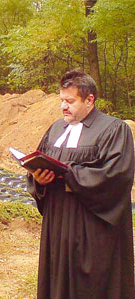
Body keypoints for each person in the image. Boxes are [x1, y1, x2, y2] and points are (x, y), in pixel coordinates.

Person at [27, 69, 135, 299]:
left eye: (70, 101)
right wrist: (39, 180)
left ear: (89, 100)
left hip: (90, 225)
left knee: (89, 285)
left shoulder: (114, 129)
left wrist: (68, 175)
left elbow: (116, 176)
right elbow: (40, 161)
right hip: (57, 221)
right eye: (61, 101)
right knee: (58, 275)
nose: (63, 107)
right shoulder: (56, 129)